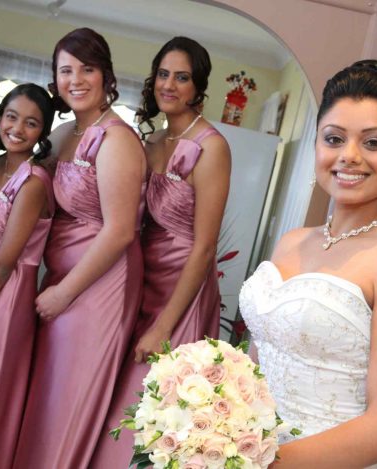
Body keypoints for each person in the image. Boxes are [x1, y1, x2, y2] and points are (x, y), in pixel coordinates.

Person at [240, 60, 377, 468]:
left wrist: (259, 463)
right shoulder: (291, 241)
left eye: (374, 142)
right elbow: (259, 358)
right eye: (334, 138)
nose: (349, 156)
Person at [89, 36, 231, 467]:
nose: (169, 85)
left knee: (151, 416)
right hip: (140, 281)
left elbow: (205, 247)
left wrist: (164, 327)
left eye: (182, 77)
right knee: (114, 405)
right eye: (164, 74)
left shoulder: (211, 147)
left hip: (181, 290)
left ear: (198, 86)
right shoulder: (150, 142)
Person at [13, 28, 147, 469]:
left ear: (105, 74)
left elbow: (120, 231)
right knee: (45, 395)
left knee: (68, 400)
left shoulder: (116, 138)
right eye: (65, 70)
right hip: (60, 280)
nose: (75, 80)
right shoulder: (65, 131)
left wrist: (64, 292)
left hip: (97, 286)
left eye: (86, 69)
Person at [0, 83, 55, 469]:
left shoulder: (33, 182)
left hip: (7, 296)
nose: (18, 128)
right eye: (11, 117)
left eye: (31, 123)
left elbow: (5, 263)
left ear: (42, 132)